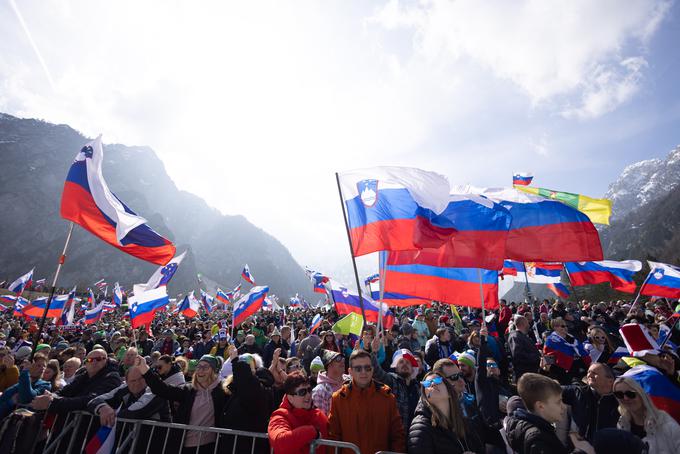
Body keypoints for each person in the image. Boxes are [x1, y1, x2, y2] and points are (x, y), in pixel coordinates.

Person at [137, 353, 226, 454]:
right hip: (182, 445)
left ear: (214, 371)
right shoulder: (188, 390)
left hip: (208, 447)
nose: (200, 370)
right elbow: (163, 389)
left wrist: (235, 360)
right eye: (199, 366)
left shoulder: (222, 392)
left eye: (205, 367)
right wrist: (144, 368)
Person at [328, 349, 406, 454]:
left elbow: (397, 435)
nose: (363, 372)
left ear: (372, 370)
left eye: (367, 368)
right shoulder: (339, 399)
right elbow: (333, 438)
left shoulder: (387, 398)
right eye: (358, 368)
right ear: (350, 371)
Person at [505, 373, 595, 454]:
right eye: (558, 402)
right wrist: (582, 451)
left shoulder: (540, 430)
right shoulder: (537, 440)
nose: (564, 407)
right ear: (541, 406)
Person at [408, 372, 482, 454]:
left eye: (437, 380)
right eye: (427, 383)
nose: (432, 384)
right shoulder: (421, 426)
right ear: (425, 396)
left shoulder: (463, 422)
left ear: (449, 391)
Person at [614, 376, 680, 452]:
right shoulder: (622, 426)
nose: (625, 398)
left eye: (630, 394)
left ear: (640, 394)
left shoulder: (665, 422)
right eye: (619, 394)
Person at [267, 371, 328, 454]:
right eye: (302, 392)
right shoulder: (280, 416)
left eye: (309, 390)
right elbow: (280, 443)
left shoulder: (319, 415)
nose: (308, 395)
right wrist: (312, 431)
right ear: (290, 398)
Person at [369, 335, 420, 434]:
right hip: (394, 435)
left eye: (408, 363)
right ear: (396, 368)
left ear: (412, 368)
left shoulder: (418, 387)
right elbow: (376, 372)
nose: (404, 364)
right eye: (401, 362)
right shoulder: (391, 381)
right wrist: (374, 352)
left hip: (413, 436)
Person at [561, 362, 619, 442]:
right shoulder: (578, 392)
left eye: (594, 373)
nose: (589, 375)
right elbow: (550, 389)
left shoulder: (621, 398)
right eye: (588, 372)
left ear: (610, 381)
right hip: (579, 448)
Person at [0, 353, 51, 419]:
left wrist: (25, 372)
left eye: (44, 366)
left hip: (17, 425)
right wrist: (11, 402)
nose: (42, 368)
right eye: (38, 365)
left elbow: (27, 398)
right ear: (30, 365)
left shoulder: (45, 385)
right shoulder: (19, 383)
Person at [312, 349, 349, 415]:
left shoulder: (351, 381)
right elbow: (322, 421)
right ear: (329, 364)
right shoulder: (320, 391)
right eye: (338, 359)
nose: (342, 362)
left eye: (343, 359)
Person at [507, 316, 541, 382]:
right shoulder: (515, 337)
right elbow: (518, 355)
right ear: (523, 324)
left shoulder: (521, 336)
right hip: (525, 376)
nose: (529, 325)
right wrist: (536, 357)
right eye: (528, 323)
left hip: (530, 373)